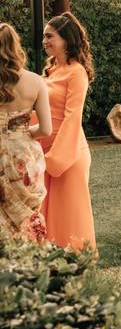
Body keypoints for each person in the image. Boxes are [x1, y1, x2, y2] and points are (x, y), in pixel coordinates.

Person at [39, 12, 96, 251]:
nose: (45, 41)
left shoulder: (76, 73)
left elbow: (73, 117)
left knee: (68, 218)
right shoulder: (51, 68)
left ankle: (75, 272)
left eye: (49, 36)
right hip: (43, 153)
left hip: (67, 155)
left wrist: (55, 159)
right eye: (44, 37)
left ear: (66, 39)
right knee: (44, 216)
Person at [0, 23, 52, 240]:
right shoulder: (35, 81)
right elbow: (46, 129)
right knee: (28, 218)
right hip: (25, 156)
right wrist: (22, 132)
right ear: (16, 46)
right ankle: (31, 266)